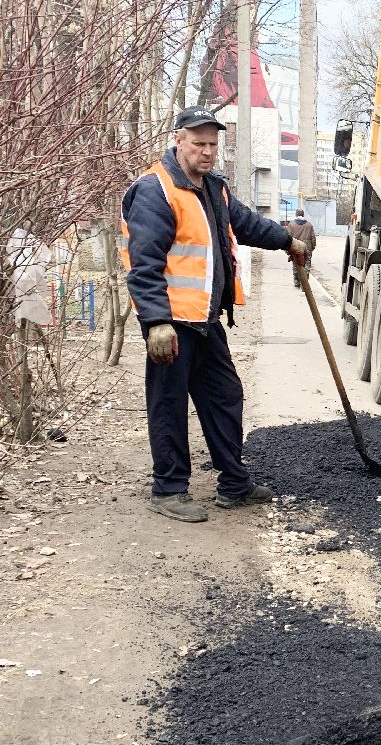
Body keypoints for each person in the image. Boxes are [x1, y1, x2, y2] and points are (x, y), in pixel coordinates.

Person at [122, 106, 308, 523]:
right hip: (171, 326)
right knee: (169, 405)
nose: (206, 152)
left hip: (205, 322)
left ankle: (234, 482)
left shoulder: (214, 190)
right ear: (179, 141)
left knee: (224, 396)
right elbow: (144, 263)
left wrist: (285, 240)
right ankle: (169, 488)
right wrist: (155, 322)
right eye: (199, 143)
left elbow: (244, 224)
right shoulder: (156, 191)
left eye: (212, 144)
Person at [288, 208, 316, 288]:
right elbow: (313, 237)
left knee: (296, 265)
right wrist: (312, 247)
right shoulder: (309, 225)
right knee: (306, 266)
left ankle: (297, 283)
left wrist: (288, 251)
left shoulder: (291, 224)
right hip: (307, 248)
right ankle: (305, 285)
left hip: (295, 247)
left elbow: (288, 237)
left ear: (296, 214)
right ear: (303, 215)